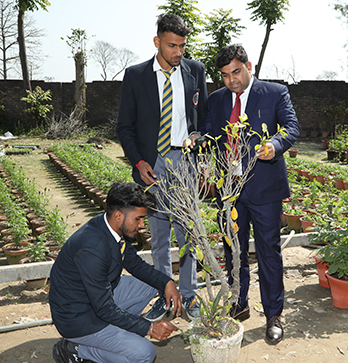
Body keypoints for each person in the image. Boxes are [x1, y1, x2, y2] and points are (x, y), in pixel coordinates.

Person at [190, 44, 300, 344]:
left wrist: (275, 145)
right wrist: (198, 138)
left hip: (265, 189)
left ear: (248, 66)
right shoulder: (217, 99)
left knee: (268, 252)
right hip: (229, 190)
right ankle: (238, 303)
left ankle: (274, 314)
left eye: (236, 72)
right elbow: (211, 131)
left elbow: (291, 127)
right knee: (233, 251)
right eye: (225, 75)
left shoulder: (275, 93)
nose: (231, 81)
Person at [116, 13, 208, 321]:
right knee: (159, 236)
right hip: (152, 165)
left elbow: (204, 119)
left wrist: (198, 135)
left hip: (185, 162)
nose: (179, 53)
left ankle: (190, 296)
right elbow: (125, 128)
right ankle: (165, 295)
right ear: (157, 42)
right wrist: (139, 162)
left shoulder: (195, 70)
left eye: (182, 45)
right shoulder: (136, 76)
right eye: (172, 46)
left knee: (188, 234)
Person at [49, 182, 181, 363]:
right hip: (78, 317)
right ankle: (76, 348)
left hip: (95, 301)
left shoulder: (110, 227)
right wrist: (148, 328)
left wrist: (167, 282)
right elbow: (104, 308)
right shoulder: (92, 248)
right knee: (145, 353)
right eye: (138, 219)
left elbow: (135, 265)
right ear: (119, 215)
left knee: (151, 283)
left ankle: (117, 335)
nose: (142, 225)